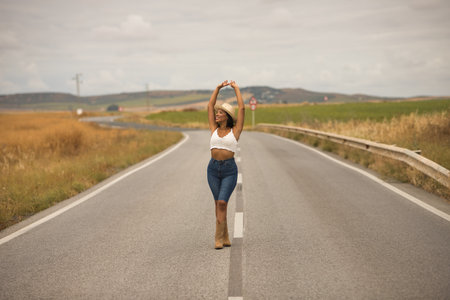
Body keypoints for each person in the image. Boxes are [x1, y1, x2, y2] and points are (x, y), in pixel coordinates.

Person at [207, 80, 245, 249]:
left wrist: (236, 88)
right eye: (217, 112)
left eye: (220, 112)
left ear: (227, 116)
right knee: (218, 203)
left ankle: (217, 237)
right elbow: (209, 105)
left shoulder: (235, 131)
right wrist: (217, 88)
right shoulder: (214, 128)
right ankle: (226, 235)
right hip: (213, 169)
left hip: (229, 170)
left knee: (222, 202)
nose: (217, 114)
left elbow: (242, 109)